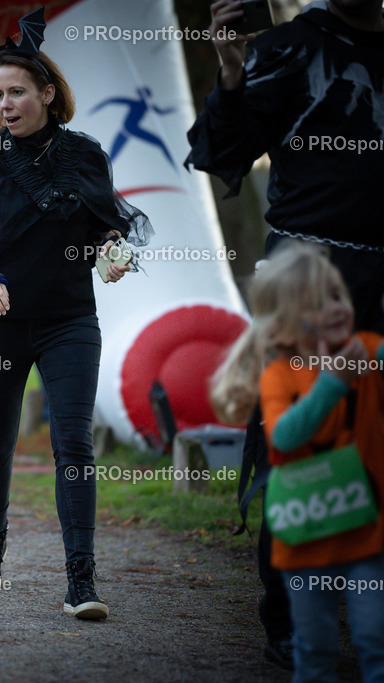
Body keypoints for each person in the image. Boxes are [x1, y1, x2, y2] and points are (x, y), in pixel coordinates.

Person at [0, 7, 152, 619]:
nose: (5, 103)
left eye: (17, 91)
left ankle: (82, 580)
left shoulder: (85, 157)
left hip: (69, 321)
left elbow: (109, 230)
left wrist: (111, 252)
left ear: (48, 93)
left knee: (72, 442)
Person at [185, 0, 384, 666]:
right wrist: (234, 70)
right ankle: (293, 619)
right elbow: (222, 151)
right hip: (305, 271)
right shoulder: (290, 45)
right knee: (294, 443)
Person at [210, 245, 384, 680]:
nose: (337, 308)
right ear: (287, 323)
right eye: (318, 302)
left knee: (375, 639)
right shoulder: (281, 375)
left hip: (367, 533)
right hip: (306, 537)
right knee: (316, 649)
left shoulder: (367, 348)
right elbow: (285, 436)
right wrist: (333, 383)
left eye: (338, 295)